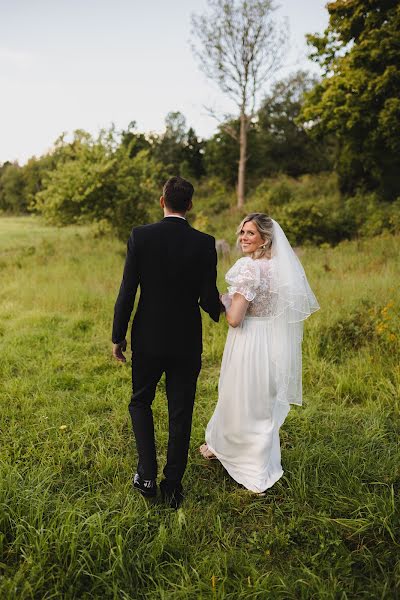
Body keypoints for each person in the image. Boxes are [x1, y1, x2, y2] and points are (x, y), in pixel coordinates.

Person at [112, 176, 221, 508]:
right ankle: (172, 485)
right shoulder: (205, 243)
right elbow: (207, 299)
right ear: (190, 205)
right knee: (181, 411)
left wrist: (118, 336)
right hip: (187, 340)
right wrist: (232, 305)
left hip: (148, 336)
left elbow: (127, 291)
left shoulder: (141, 236)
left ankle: (146, 473)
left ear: (163, 201)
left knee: (140, 401)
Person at [200, 213, 319, 494]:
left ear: (265, 238)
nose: (242, 237)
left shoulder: (249, 269)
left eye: (250, 233)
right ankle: (252, 455)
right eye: (242, 232)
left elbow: (235, 319)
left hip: (249, 340)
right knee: (262, 400)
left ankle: (243, 459)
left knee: (240, 396)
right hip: (272, 341)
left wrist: (226, 301)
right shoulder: (280, 268)